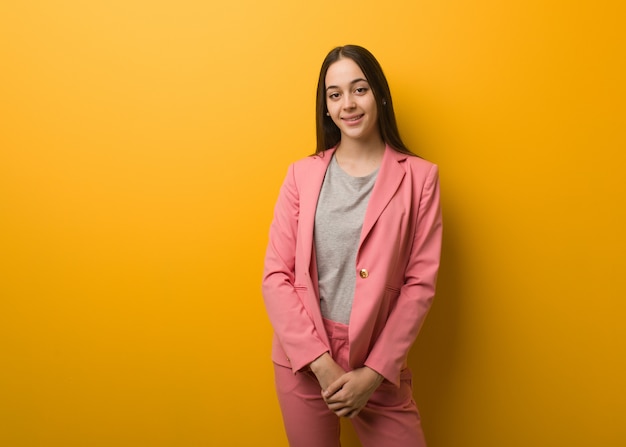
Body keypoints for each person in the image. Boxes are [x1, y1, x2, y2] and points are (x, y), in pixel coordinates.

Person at [261, 45, 442, 447]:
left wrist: (374, 371)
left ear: (378, 93)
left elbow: (419, 286)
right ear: (326, 106)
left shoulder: (420, 178)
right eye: (335, 94)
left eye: (359, 89)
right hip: (304, 358)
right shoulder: (301, 175)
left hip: (378, 362)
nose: (348, 104)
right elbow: (276, 276)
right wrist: (319, 364)